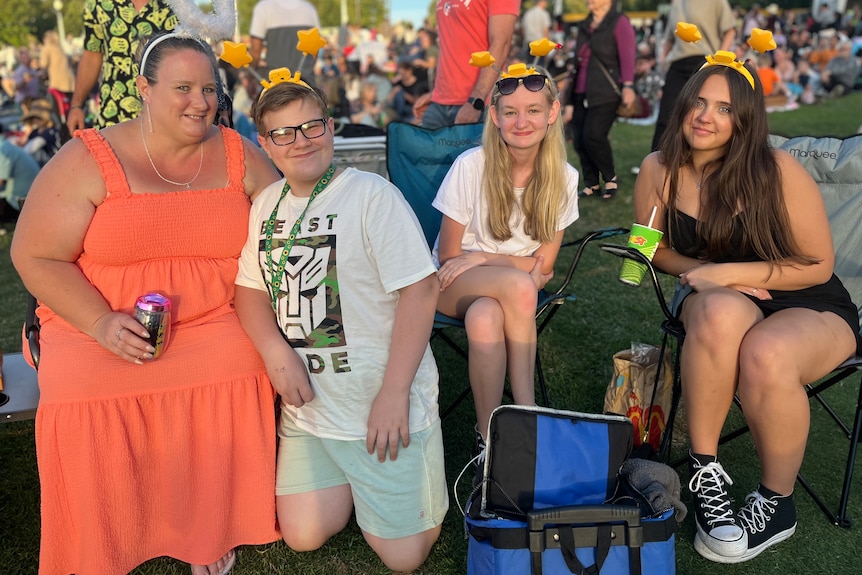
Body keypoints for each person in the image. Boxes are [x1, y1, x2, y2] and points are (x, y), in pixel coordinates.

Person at [10, 32, 283, 575]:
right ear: (144, 88)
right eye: (182, 87)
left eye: (209, 88)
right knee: (84, 384)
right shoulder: (89, 156)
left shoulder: (235, 151)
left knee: (240, 361)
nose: (200, 102)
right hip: (93, 321)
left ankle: (206, 522)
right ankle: (102, 534)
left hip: (214, 319)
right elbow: (35, 257)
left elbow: (287, 225)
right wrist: (100, 323)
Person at [632, 52, 862, 564]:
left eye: (723, 108)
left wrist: (732, 273)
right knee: (718, 313)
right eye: (698, 101)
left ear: (745, 120)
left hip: (808, 299)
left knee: (767, 354)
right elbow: (652, 246)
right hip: (717, 293)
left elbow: (818, 265)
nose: (705, 116)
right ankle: (705, 471)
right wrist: (705, 274)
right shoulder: (658, 170)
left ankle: (776, 504)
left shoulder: (776, 170)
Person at [235, 79, 448, 573]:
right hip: (312, 415)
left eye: (312, 126)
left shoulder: (373, 196)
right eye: (283, 134)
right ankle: (355, 485)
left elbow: (421, 290)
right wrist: (274, 350)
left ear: (331, 128)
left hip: (381, 408)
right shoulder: (266, 205)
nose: (301, 141)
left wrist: (395, 393)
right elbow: (248, 290)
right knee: (303, 536)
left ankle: (403, 474)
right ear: (265, 144)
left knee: (403, 558)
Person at [432, 64, 579, 460]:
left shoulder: (563, 177)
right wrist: (511, 265)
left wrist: (483, 256)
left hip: (495, 282)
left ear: (552, 113)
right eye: (510, 111)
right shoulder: (471, 166)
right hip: (451, 283)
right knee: (518, 285)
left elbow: (544, 268)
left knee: (485, 317)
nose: (522, 121)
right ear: (495, 117)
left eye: (533, 110)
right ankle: (527, 417)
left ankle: (489, 439)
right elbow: (449, 256)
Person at [66, 0, 178, 132]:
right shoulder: (98, 4)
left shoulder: (178, 5)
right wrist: (76, 106)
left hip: (162, 115)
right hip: (112, 114)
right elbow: (92, 56)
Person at [564, 0, 636, 200]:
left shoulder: (619, 22)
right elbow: (576, 59)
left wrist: (628, 86)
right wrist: (568, 93)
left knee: (594, 135)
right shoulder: (584, 24)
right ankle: (591, 183)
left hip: (606, 89)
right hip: (580, 89)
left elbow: (628, 56)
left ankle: (610, 178)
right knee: (578, 139)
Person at [416, 0, 521, 130]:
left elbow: (501, 43)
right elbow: (451, 45)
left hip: (479, 105)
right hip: (439, 104)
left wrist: (476, 101)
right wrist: (435, 92)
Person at [651, 0, 736, 152]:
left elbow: (730, 30)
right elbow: (670, 37)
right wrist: (663, 58)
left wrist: (720, 58)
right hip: (678, 63)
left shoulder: (716, 2)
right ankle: (656, 162)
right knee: (666, 115)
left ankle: (694, 162)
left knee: (698, 116)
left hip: (704, 60)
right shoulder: (676, 4)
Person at [249, 0, 321, 80]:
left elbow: (256, 51)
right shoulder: (309, 8)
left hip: (276, 81)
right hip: (306, 81)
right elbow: (315, 50)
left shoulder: (263, 7)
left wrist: (250, 75)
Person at [0, 133, 40, 223]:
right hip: (30, 199)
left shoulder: (2, 149)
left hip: (20, 202)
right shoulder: (5, 145)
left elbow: (0, 182)